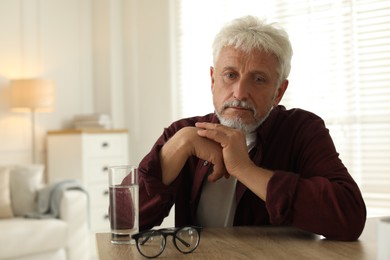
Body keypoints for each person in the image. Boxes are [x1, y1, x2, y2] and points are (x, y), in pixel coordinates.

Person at [135, 15, 366, 241]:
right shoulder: (184, 131)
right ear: (213, 80)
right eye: (230, 75)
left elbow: (350, 218)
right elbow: (124, 219)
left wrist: (244, 168)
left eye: (258, 79)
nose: (239, 93)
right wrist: (180, 144)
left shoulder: (302, 131)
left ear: (278, 92)